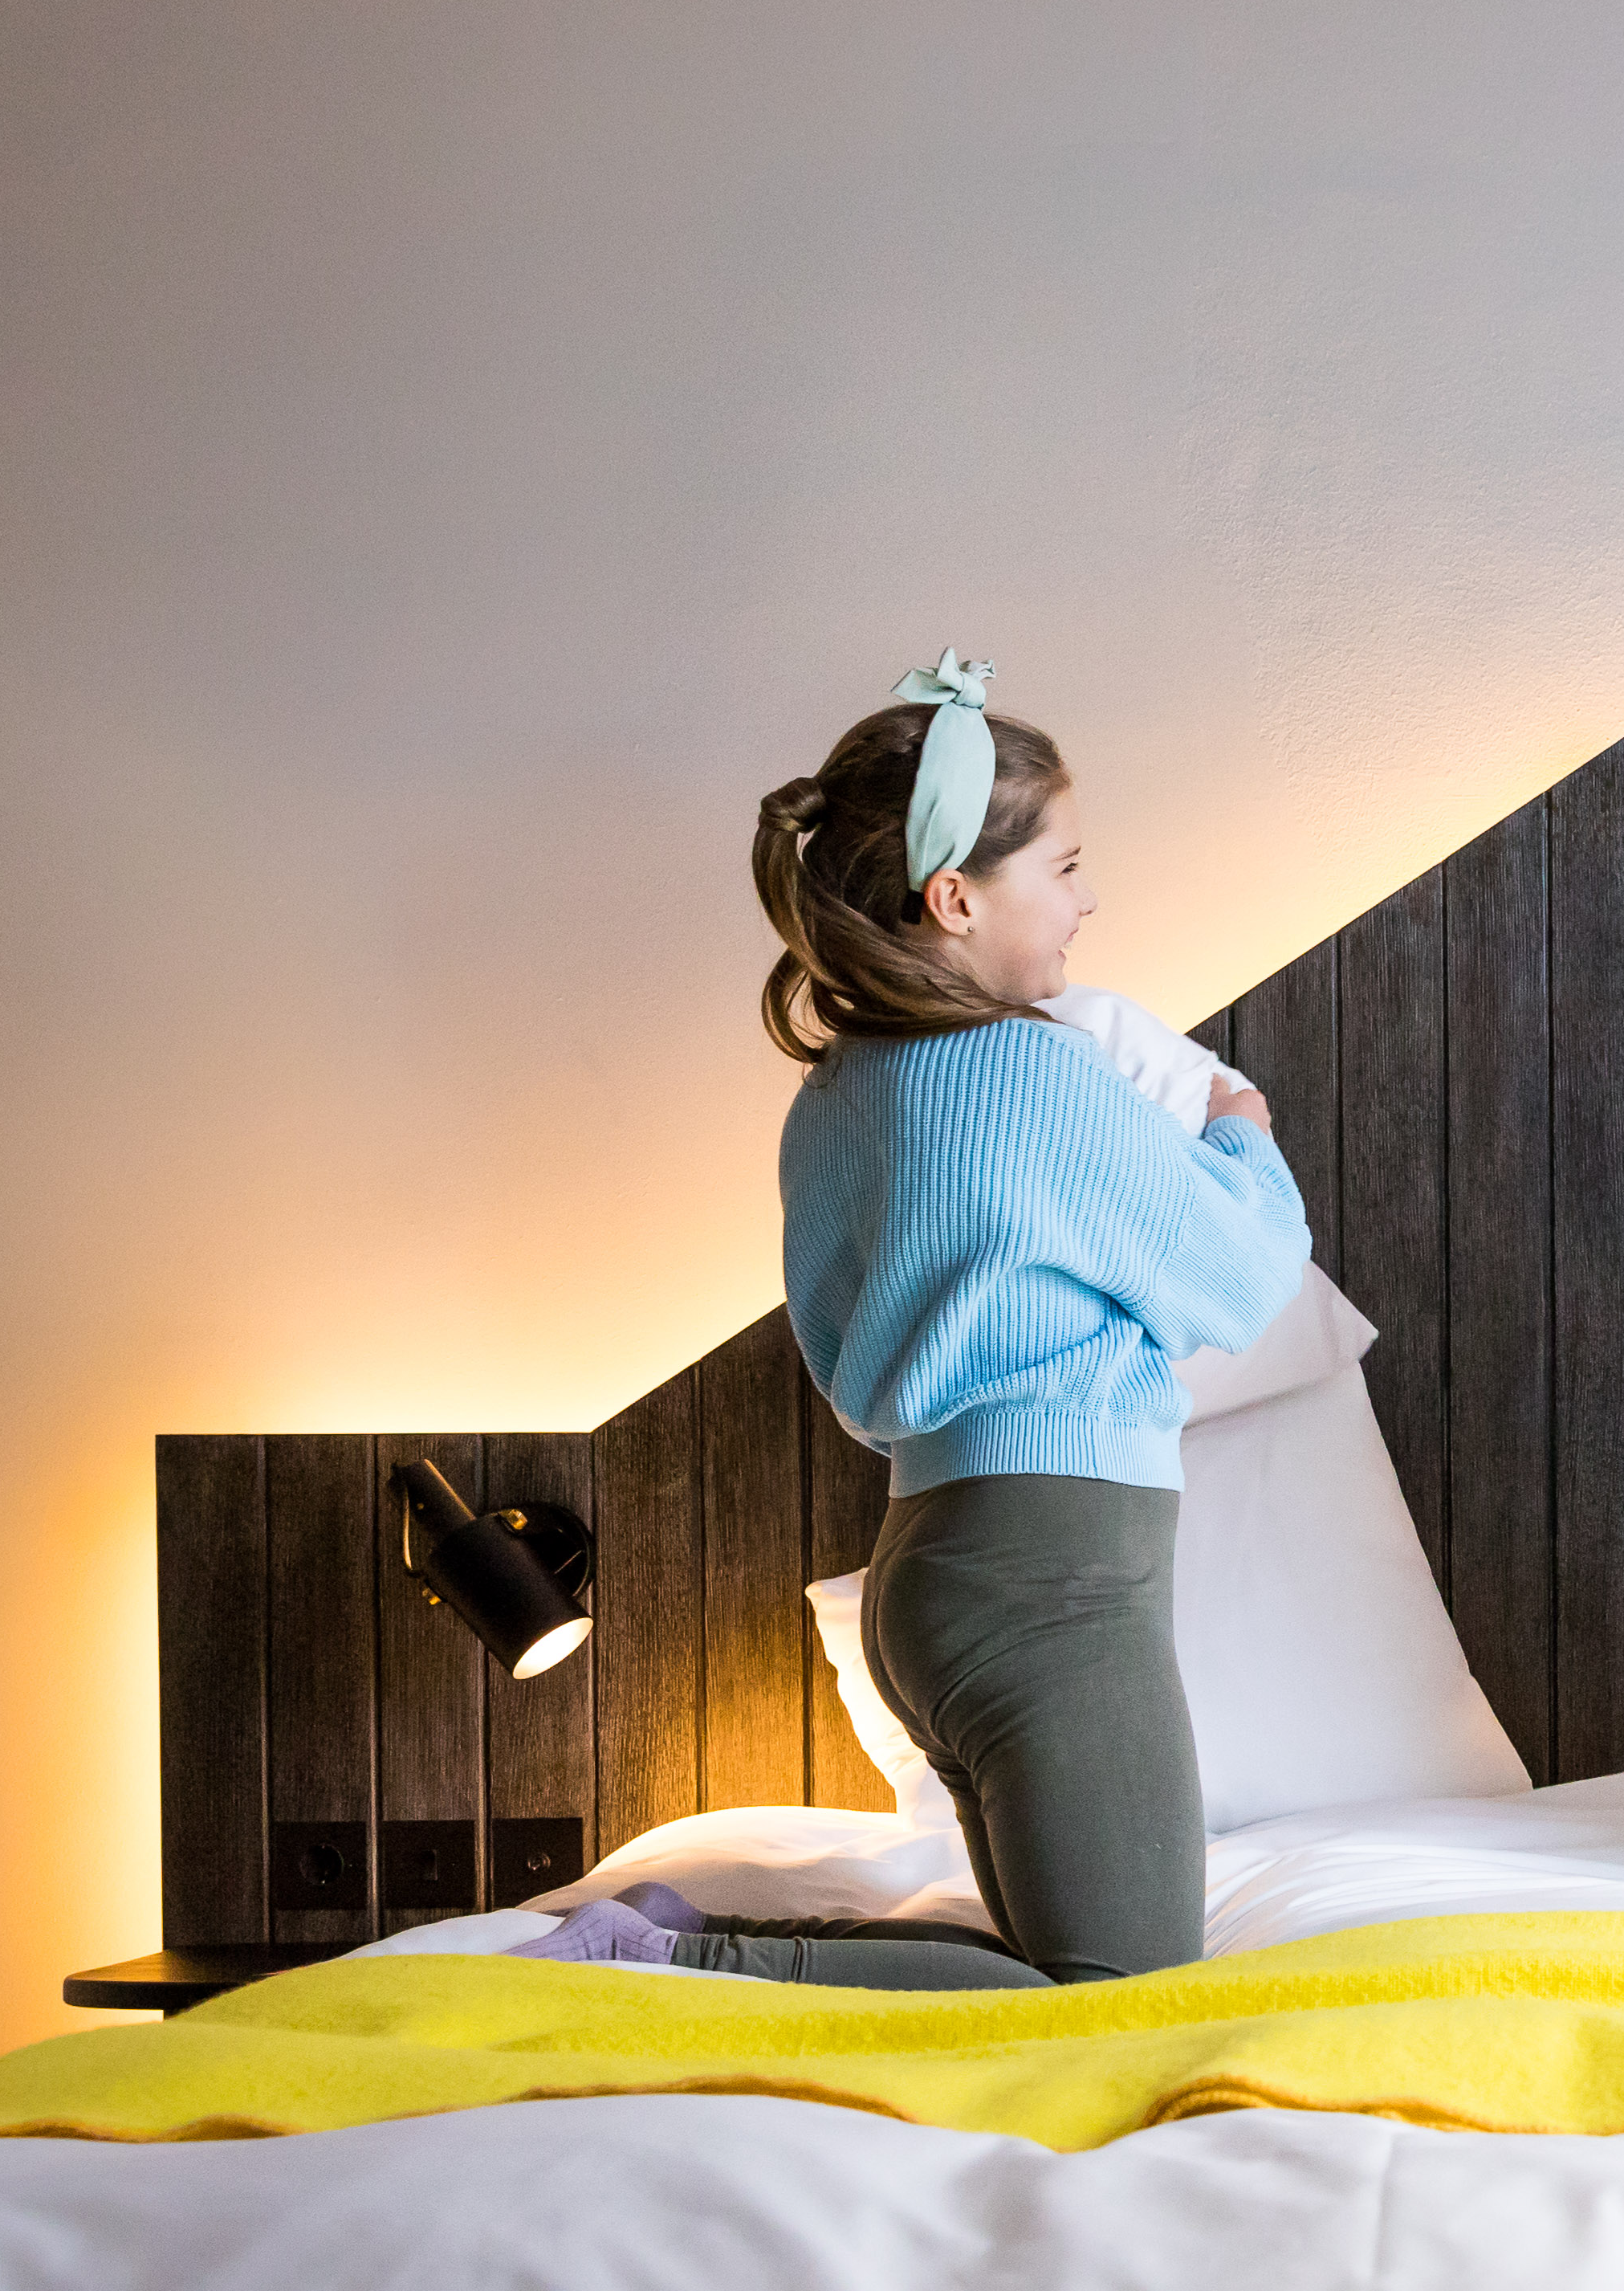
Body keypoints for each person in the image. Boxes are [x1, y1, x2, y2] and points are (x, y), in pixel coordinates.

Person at [530, 646, 1309, 1989]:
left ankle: (663, 1936)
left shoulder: (836, 1094)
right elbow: (1242, 1279)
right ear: (955, 895)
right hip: (1054, 1584)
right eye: (1061, 867)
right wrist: (1240, 1133)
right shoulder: (1035, 1075)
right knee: (1117, 1993)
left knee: (1038, 1958)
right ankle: (674, 1968)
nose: (1087, 899)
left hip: (933, 1568)